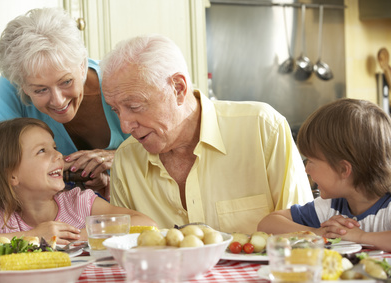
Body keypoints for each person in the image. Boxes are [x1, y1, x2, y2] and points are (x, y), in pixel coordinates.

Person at [99, 34, 313, 233]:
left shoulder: (263, 128)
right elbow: (127, 253)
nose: (125, 127)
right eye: (116, 110)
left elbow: (302, 236)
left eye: (135, 106)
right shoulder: (127, 159)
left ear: (178, 89)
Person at [0, 8, 129, 199]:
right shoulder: (14, 86)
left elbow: (170, 146)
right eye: (40, 90)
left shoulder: (122, 81)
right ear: (23, 86)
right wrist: (58, 167)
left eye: (66, 81)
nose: (58, 101)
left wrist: (121, 157)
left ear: (82, 66)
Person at [0, 118, 157, 245]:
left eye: (55, 147)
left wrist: (76, 235)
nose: (58, 155)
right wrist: (33, 236)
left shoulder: (79, 202)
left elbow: (146, 223)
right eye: (42, 151)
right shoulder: (0, 216)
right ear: (11, 175)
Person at [257, 98, 391, 252]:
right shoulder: (331, 207)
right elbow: (267, 224)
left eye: (311, 161)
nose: (306, 170)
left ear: (343, 169)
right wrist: (317, 233)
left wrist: (359, 236)